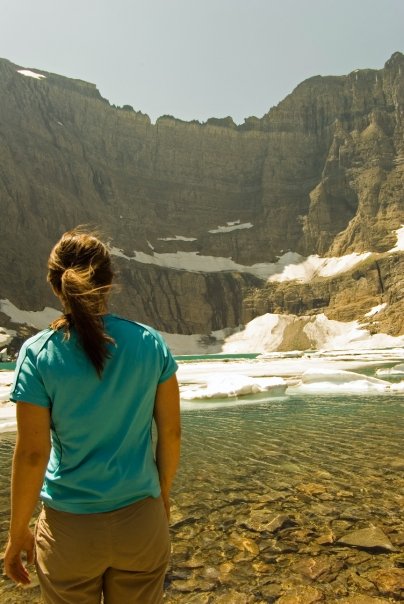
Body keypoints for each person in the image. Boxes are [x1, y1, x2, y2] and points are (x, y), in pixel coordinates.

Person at [4, 228, 181, 603]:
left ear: (56, 285)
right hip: (141, 522)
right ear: (109, 280)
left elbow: (33, 453)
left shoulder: (38, 354)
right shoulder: (150, 343)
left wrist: (17, 531)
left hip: (70, 532)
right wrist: (161, 496)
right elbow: (171, 434)